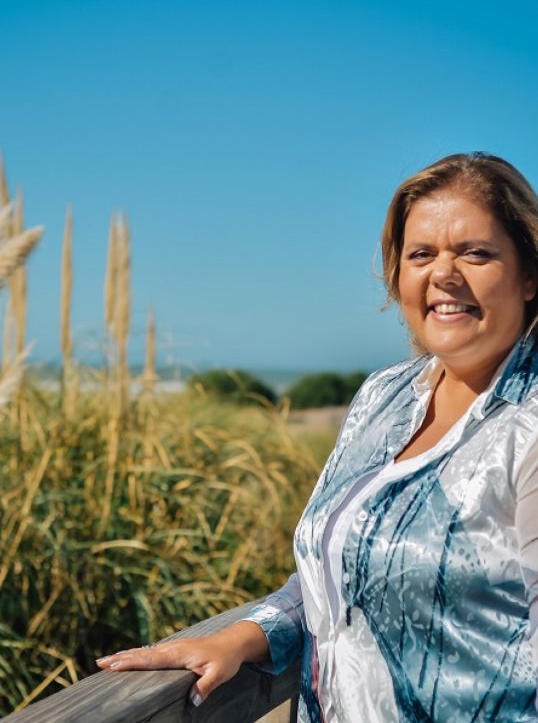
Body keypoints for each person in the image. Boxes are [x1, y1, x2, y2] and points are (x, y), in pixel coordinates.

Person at [97, 152, 538, 721]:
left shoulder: (526, 428)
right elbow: (332, 568)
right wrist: (241, 638)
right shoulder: (384, 397)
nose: (443, 274)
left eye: (475, 253)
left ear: (529, 274)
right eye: (421, 254)